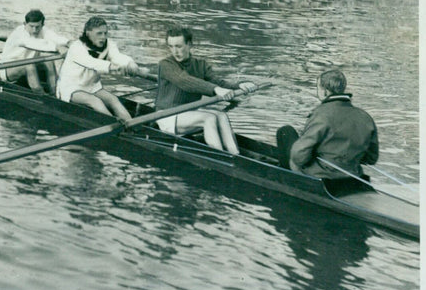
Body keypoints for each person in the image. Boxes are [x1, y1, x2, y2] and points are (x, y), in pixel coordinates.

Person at [155, 24, 256, 154]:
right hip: (167, 115)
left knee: (221, 115)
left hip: (188, 113)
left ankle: (235, 154)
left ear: (189, 44)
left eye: (179, 46)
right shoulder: (166, 64)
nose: (175, 51)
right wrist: (215, 89)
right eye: (171, 46)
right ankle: (220, 158)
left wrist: (239, 86)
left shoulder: (200, 65)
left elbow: (218, 82)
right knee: (209, 118)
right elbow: (184, 81)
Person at [276, 69, 378, 178]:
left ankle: (285, 178)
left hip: (321, 175)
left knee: (285, 132)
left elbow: (298, 156)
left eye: (317, 88)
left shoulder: (321, 114)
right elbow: (371, 158)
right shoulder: (365, 117)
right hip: (353, 174)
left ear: (325, 91)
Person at [56, 16, 146, 122]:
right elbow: (91, 63)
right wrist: (113, 67)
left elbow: (117, 56)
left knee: (113, 100)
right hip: (71, 88)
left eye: (105, 33)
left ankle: (132, 127)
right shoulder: (76, 47)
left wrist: (130, 63)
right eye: (99, 33)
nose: (103, 37)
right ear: (88, 33)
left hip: (92, 86)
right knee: (95, 101)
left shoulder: (109, 44)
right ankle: (116, 127)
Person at [0, 9, 71, 94]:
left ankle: (54, 92)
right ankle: (40, 94)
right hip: (7, 69)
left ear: (42, 25)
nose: (34, 30)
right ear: (25, 24)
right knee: (29, 65)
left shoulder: (43, 30)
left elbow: (55, 38)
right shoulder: (19, 34)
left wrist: (69, 43)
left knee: (49, 61)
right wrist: (57, 47)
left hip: (29, 63)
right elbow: (34, 43)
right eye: (31, 26)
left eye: (37, 27)